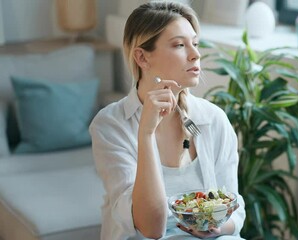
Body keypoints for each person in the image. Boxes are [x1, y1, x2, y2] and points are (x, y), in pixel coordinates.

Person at [89, 1, 246, 239]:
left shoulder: (214, 119)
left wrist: (216, 228)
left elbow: (234, 207)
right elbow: (149, 228)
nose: (195, 55)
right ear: (142, 57)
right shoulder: (110, 125)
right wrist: (146, 133)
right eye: (180, 45)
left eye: (195, 43)